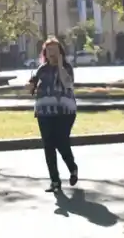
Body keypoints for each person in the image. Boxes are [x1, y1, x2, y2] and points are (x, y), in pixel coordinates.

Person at [28, 37, 78, 192]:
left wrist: (61, 65)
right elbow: (32, 85)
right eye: (48, 50)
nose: (51, 53)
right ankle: (55, 181)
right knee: (48, 146)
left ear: (60, 52)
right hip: (44, 111)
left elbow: (67, 83)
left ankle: (72, 167)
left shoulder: (67, 67)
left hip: (65, 111)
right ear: (45, 53)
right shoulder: (42, 69)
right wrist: (29, 86)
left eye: (55, 50)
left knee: (61, 141)